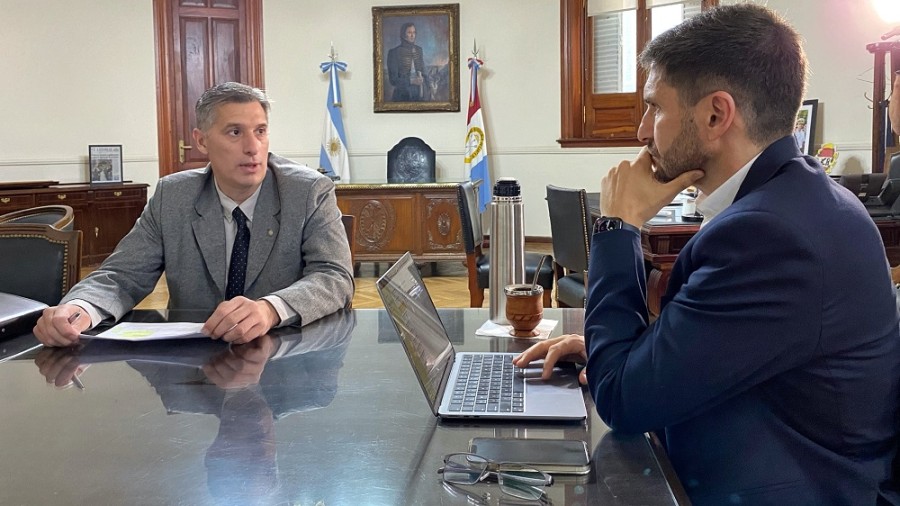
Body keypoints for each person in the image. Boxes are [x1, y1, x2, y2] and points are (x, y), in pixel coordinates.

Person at [515, 4, 900, 504]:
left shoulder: (769, 235)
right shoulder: (794, 200)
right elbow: (737, 342)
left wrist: (617, 226)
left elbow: (622, 399)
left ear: (716, 114)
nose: (642, 131)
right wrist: (618, 348)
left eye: (655, 107)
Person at [34, 82, 354, 347]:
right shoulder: (174, 195)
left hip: (288, 355)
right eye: (234, 132)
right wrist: (79, 308)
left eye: (260, 131)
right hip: (193, 367)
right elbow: (123, 274)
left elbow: (334, 277)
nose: (253, 147)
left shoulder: (308, 190)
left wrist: (270, 309)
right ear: (201, 141)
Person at [386, 22, 428, 101]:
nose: (412, 35)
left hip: (419, 95)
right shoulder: (394, 52)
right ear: (403, 35)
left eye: (414, 32)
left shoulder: (419, 50)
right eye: (409, 32)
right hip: (402, 95)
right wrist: (412, 81)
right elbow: (393, 80)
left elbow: (424, 73)